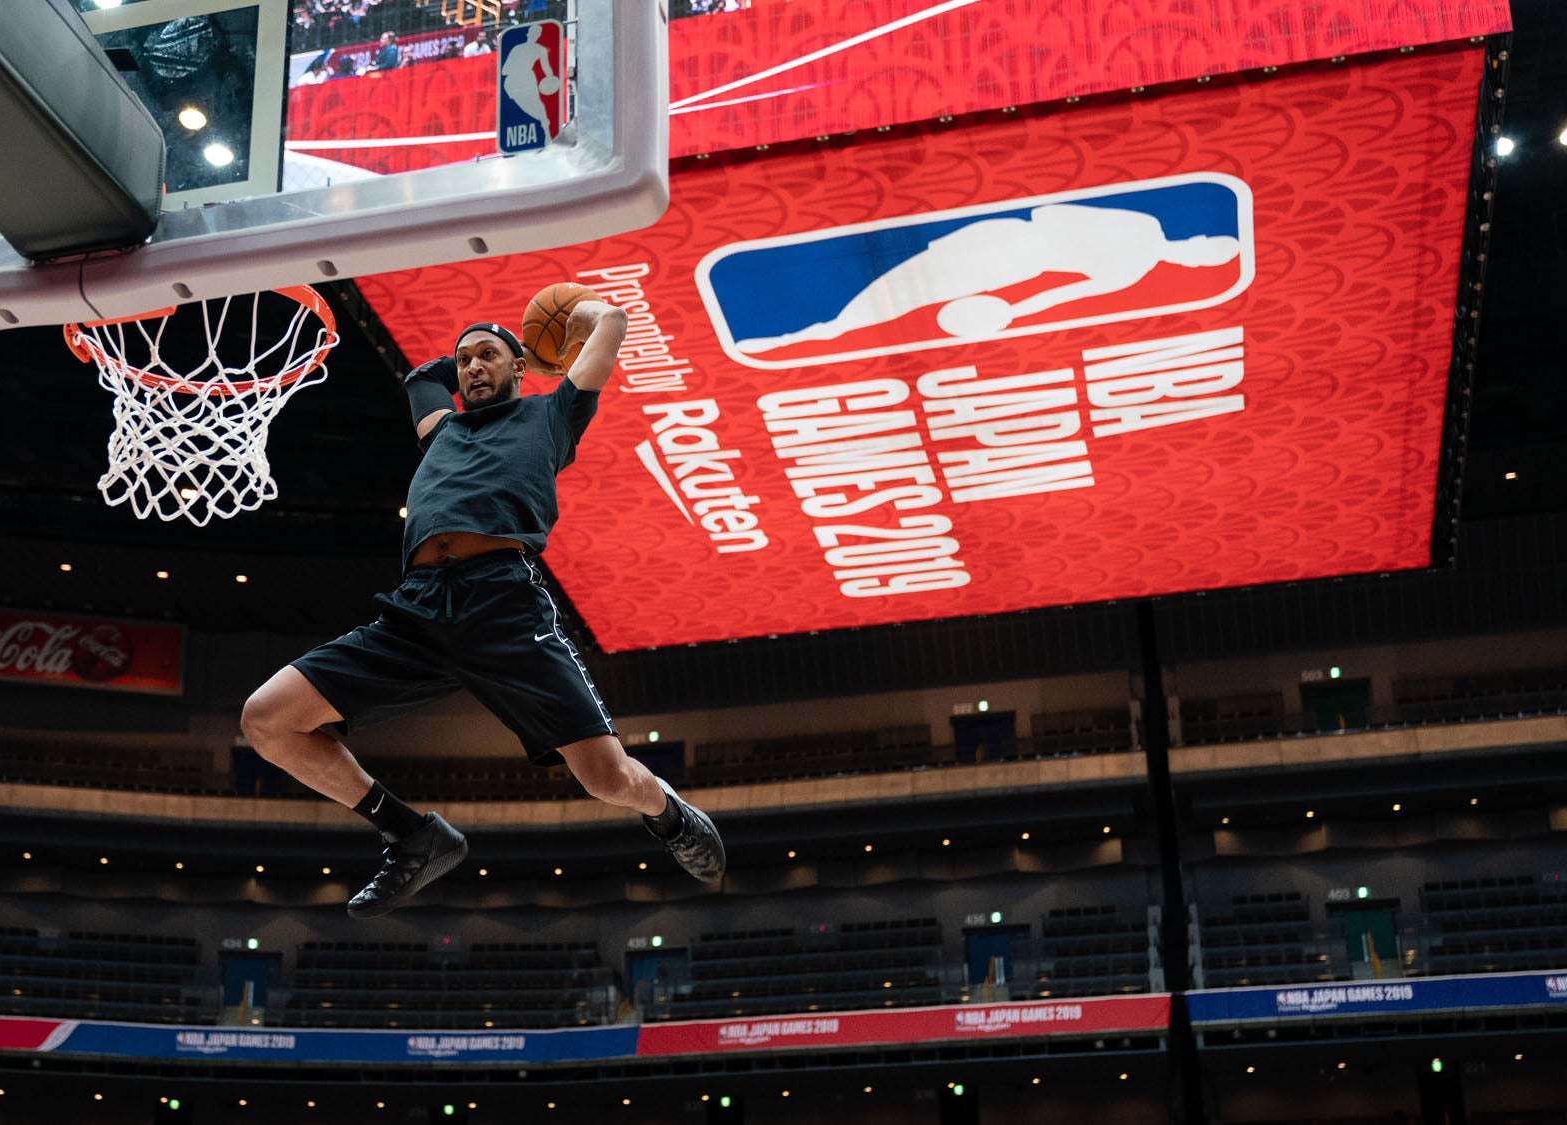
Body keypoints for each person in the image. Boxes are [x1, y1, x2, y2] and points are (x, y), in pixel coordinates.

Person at [240, 302, 726, 918]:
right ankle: (411, 834)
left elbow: (615, 324)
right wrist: (479, 345)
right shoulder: (441, 429)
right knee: (267, 719)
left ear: (521, 368)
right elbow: (422, 378)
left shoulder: (552, 413)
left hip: (502, 605)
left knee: (605, 779)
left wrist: (555, 327)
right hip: (415, 608)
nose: (471, 367)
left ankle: (669, 814)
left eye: (486, 358)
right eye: (464, 360)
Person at [735, 203, 1243, 352]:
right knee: (877, 265)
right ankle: (804, 327)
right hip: (1001, 244)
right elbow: (1051, 213)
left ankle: (794, 337)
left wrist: (1002, 312)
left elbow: (1059, 295)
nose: (1194, 256)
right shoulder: (1142, 229)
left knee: (893, 301)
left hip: (1004, 267)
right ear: (1196, 242)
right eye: (1203, 248)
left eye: (1203, 262)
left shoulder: (1133, 269)